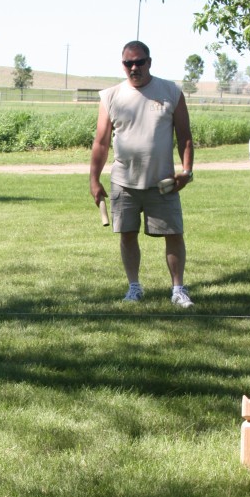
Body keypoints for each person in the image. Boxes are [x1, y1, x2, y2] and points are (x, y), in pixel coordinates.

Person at [89, 40, 195, 308]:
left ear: (150, 61)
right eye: (128, 63)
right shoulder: (111, 96)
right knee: (127, 234)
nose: (134, 67)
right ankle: (134, 287)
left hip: (163, 183)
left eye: (139, 62)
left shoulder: (170, 92)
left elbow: (185, 136)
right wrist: (94, 180)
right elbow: (101, 142)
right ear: (123, 65)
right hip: (123, 181)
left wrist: (186, 171)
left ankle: (178, 290)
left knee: (173, 234)